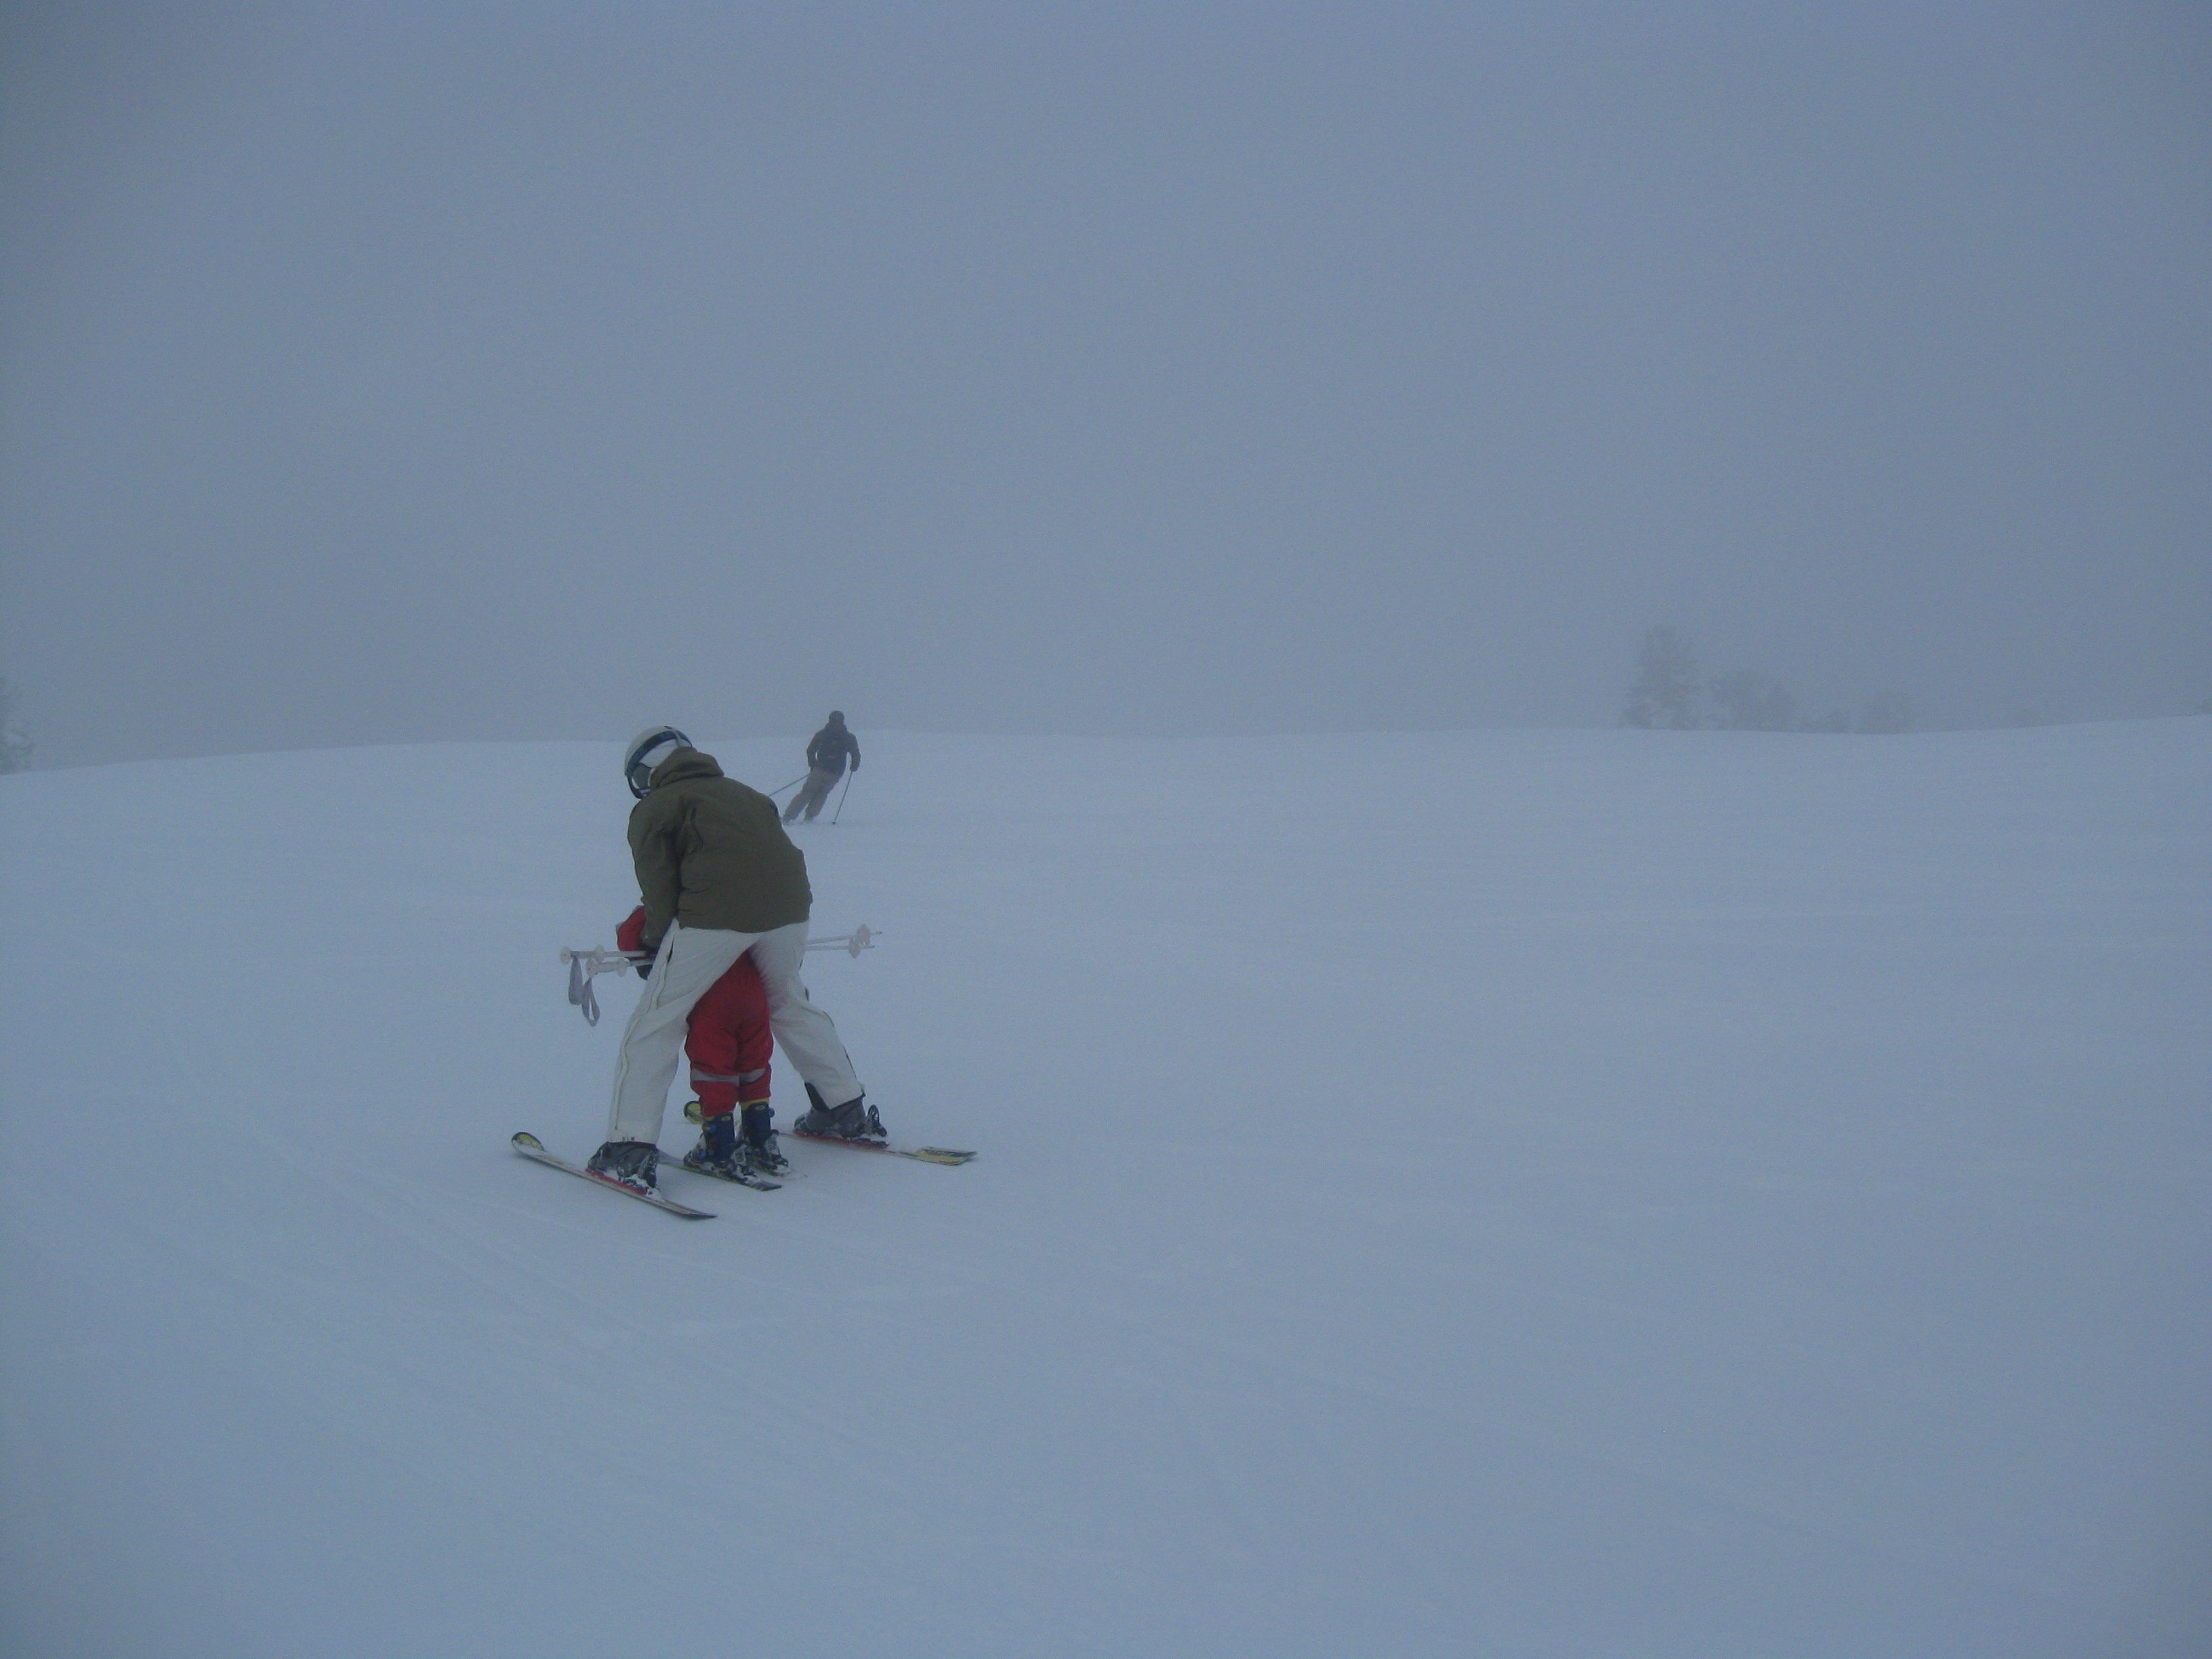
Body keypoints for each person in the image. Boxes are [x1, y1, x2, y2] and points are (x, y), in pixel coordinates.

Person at [588, 725, 885, 1193]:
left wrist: (652, 942)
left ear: (648, 772)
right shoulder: (747, 795)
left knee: (657, 1020)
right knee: (788, 1003)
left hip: (714, 918)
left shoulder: (655, 808)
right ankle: (843, 1108)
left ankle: (630, 1148)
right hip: (789, 913)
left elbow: (659, 892)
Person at [615, 903, 787, 1177]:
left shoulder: (677, 902)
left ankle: (719, 1146)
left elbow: (630, 934)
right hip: (753, 994)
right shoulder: (733, 898)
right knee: (754, 1064)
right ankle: (760, 1135)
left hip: (713, 1000)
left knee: (714, 1070)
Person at [781, 710, 860, 823]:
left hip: (820, 769)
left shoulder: (822, 734)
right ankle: (810, 817)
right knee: (822, 793)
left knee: (807, 792)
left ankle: (788, 817)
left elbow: (811, 750)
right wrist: (854, 765)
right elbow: (855, 753)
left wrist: (813, 764)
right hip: (836, 772)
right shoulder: (848, 737)